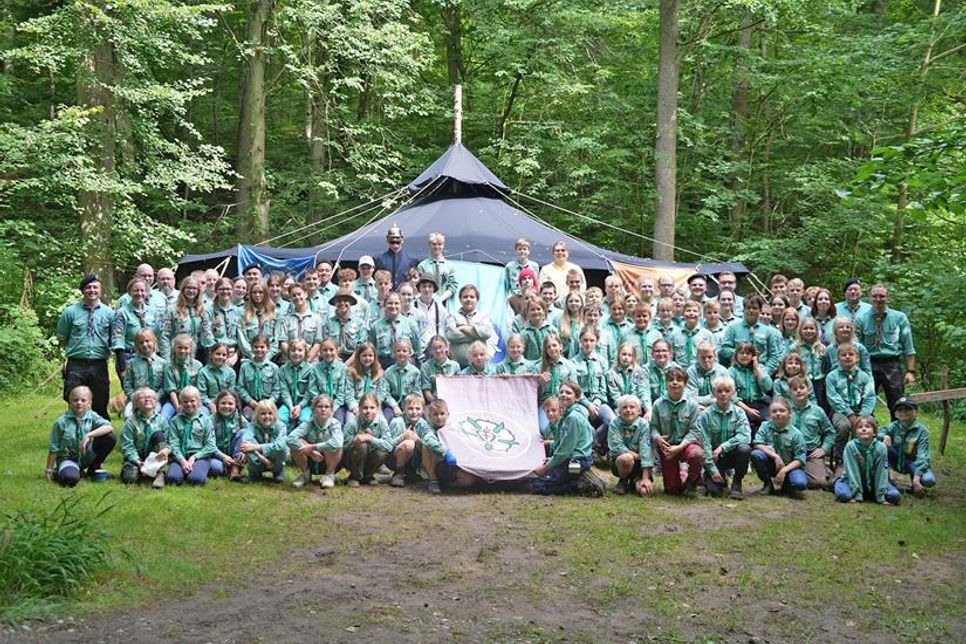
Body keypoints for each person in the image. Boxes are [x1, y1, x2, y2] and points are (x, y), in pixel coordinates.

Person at [531, 381, 605, 496]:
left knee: (537, 484)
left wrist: (545, 468)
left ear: (577, 398)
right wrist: (551, 459)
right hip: (568, 459)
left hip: (576, 460)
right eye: (561, 392)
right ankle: (577, 477)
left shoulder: (573, 418)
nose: (564, 395)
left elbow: (565, 450)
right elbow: (561, 442)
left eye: (568, 393)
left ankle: (580, 485)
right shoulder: (566, 415)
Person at [854, 284, 916, 418]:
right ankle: (867, 433)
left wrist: (911, 371)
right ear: (870, 298)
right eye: (875, 296)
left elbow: (908, 346)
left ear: (887, 297)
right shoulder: (861, 319)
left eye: (881, 296)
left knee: (897, 401)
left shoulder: (899, 318)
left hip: (891, 364)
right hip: (868, 363)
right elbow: (856, 347)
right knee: (865, 401)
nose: (878, 299)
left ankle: (897, 434)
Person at [57, 274, 114, 419]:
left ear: (100, 291)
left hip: (99, 363)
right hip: (77, 363)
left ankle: (101, 438)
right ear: (83, 290)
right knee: (75, 401)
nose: (92, 290)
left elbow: (115, 338)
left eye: (95, 287)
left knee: (100, 402)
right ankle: (73, 435)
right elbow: (62, 337)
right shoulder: (70, 312)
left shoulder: (110, 314)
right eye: (88, 287)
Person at [45, 385, 117, 487]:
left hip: (87, 456)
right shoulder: (61, 422)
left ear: (89, 403)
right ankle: (63, 471)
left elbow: (109, 427)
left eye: (83, 400)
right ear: (69, 402)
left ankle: (93, 469)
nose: (79, 403)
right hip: (68, 459)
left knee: (110, 437)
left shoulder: (91, 416)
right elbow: (54, 448)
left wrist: (89, 435)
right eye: (75, 400)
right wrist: (49, 470)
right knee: (71, 479)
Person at [649, 366, 703, 496]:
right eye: (670, 379)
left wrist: (680, 447)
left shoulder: (692, 405)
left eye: (679, 380)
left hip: (686, 445)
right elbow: (653, 426)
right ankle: (681, 475)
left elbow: (695, 430)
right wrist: (657, 437)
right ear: (666, 383)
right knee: (672, 490)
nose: (674, 383)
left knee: (697, 454)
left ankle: (692, 480)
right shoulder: (658, 404)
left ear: (685, 383)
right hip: (667, 448)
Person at [697, 376, 751, 499]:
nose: (723, 394)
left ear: (733, 392)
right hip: (715, 458)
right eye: (719, 391)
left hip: (733, 454)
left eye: (727, 391)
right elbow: (704, 443)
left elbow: (746, 436)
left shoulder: (739, 413)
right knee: (715, 492)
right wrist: (712, 469)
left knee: (745, 449)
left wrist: (723, 447)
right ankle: (714, 478)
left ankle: (737, 483)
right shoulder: (706, 415)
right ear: (713, 393)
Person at [826, 342, 876, 468]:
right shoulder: (832, 376)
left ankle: (863, 457)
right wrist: (849, 414)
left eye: (851, 354)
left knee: (868, 426)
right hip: (840, 411)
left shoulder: (864, 377)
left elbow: (869, 397)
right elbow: (834, 398)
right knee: (843, 426)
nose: (847, 357)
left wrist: (863, 415)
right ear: (838, 358)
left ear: (857, 358)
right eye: (843, 355)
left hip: (861, 411)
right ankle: (840, 458)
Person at [834, 416, 900, 505]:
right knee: (844, 495)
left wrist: (880, 497)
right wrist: (857, 496)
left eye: (867, 427)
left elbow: (881, 472)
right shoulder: (851, 446)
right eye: (860, 427)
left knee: (894, 496)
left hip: (874, 481)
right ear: (855, 433)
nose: (863, 429)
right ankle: (840, 484)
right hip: (851, 480)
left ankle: (874, 492)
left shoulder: (881, 447)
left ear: (874, 433)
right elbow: (853, 471)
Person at [751, 398, 808, 498]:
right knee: (756, 454)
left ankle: (787, 485)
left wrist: (784, 470)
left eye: (782, 410)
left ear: (789, 413)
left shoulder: (796, 434)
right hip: (772, 464)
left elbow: (800, 459)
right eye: (774, 411)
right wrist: (775, 456)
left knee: (800, 483)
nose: (778, 414)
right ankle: (768, 484)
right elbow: (757, 443)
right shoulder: (765, 426)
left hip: (790, 467)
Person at [879, 397, 936, 497]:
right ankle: (887, 479)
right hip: (895, 460)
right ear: (896, 414)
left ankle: (916, 483)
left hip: (912, 462)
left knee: (928, 480)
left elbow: (923, 456)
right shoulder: (893, 426)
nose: (903, 412)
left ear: (916, 412)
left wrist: (917, 478)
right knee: (882, 446)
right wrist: (884, 436)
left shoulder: (921, 431)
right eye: (900, 410)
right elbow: (879, 431)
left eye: (908, 409)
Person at [288, 393, 344, 489]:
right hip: (312, 461)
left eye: (327, 407)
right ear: (313, 409)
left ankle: (329, 475)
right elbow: (290, 438)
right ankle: (306, 475)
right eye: (319, 406)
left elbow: (337, 443)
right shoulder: (308, 423)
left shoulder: (335, 424)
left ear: (331, 410)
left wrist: (313, 447)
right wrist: (311, 452)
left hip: (329, 461)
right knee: (296, 443)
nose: (323, 409)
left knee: (335, 446)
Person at [165, 386, 218, 486]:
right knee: (172, 478)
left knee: (196, 479)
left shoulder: (206, 420)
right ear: (180, 403)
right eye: (185, 401)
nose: (189, 404)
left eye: (192, 401)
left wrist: (194, 458)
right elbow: (173, 443)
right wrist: (182, 461)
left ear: (198, 402)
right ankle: (186, 470)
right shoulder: (175, 421)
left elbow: (211, 445)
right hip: (180, 455)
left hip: (199, 456)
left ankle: (198, 472)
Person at [788, 376, 834, 490]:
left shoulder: (817, 411)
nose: (798, 391)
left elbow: (830, 432)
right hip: (790, 453)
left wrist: (824, 449)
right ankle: (800, 475)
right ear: (790, 393)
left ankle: (818, 470)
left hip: (810, 453)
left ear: (808, 390)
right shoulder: (785, 410)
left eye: (802, 388)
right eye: (795, 389)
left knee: (820, 483)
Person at [719, 294, 784, 374]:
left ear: (760, 310)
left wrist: (765, 372)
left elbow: (774, 356)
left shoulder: (768, 331)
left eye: (755, 308)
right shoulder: (733, 329)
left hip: (760, 371)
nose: (751, 310)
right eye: (748, 308)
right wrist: (742, 353)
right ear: (744, 309)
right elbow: (724, 349)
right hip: (738, 372)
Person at [119, 387, 170, 488]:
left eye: (150, 397)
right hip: (137, 458)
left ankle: (160, 472)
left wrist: (167, 449)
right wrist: (137, 461)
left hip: (156, 457)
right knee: (130, 479)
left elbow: (169, 440)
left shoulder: (162, 420)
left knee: (158, 435)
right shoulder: (130, 422)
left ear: (155, 401)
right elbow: (127, 445)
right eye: (142, 398)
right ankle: (142, 470)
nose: (147, 399)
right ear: (136, 403)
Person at [112, 277, 162, 379]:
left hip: (150, 358)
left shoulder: (153, 312)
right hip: (129, 358)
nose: (139, 293)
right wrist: (123, 368)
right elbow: (118, 340)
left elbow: (158, 335)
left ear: (147, 292)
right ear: (130, 292)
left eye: (142, 290)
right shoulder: (121, 313)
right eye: (135, 290)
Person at [607, 395, 654, 496]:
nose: (628, 410)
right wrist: (637, 456)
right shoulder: (614, 424)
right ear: (619, 411)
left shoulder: (644, 425)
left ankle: (635, 480)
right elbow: (617, 447)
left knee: (644, 492)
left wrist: (645, 478)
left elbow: (646, 450)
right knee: (626, 458)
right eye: (624, 407)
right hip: (621, 462)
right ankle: (623, 481)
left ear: (639, 411)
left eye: (632, 407)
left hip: (640, 464)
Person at [342, 392, 393, 487]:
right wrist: (354, 442)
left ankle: (368, 476)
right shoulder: (352, 424)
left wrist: (370, 438)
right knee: (362, 445)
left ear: (378, 409)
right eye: (365, 408)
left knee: (382, 452)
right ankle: (355, 476)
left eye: (372, 408)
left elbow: (389, 445)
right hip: (353, 458)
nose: (368, 411)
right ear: (359, 409)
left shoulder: (382, 422)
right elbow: (343, 447)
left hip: (372, 455)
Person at [160, 276, 214, 362]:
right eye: (188, 287)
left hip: (200, 354)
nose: (191, 291)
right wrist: (166, 359)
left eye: (194, 288)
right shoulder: (172, 309)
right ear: (183, 289)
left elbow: (208, 334)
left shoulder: (203, 309)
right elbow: (165, 335)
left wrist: (212, 354)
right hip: (179, 353)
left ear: (199, 291)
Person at [728, 342, 772, 439]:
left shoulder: (761, 368)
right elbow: (731, 395)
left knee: (768, 422)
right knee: (741, 424)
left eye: (748, 353)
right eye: (741, 353)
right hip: (740, 405)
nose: (744, 356)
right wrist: (747, 410)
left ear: (753, 356)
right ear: (736, 355)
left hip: (759, 403)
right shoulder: (732, 370)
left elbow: (768, 387)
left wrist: (757, 368)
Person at [239, 399, 288, 483]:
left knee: (281, 448)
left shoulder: (281, 426)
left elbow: (280, 445)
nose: (267, 416)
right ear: (257, 415)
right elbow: (245, 442)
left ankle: (278, 472)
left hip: (275, 459)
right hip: (259, 459)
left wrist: (256, 447)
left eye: (270, 413)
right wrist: (263, 459)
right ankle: (254, 473)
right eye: (263, 413)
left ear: (275, 414)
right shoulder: (252, 426)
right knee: (246, 445)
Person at [120, 329, 167, 418]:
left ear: (154, 342)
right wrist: (136, 398)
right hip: (137, 399)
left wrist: (156, 397)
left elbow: (165, 385)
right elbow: (127, 385)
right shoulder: (131, 364)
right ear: (137, 346)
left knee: (154, 416)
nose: (145, 344)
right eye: (141, 343)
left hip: (156, 400)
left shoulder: (163, 363)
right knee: (128, 415)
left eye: (147, 341)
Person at [536, 335, 578, 432]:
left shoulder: (569, 365)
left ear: (561, 346)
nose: (552, 348)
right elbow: (531, 391)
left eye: (554, 345)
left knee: (567, 428)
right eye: (548, 347)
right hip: (546, 405)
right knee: (544, 429)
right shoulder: (539, 367)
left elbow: (574, 389)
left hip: (564, 403)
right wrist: (539, 383)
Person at [371, 292, 422, 369]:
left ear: (401, 305)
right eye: (390, 303)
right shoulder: (376, 326)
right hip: (383, 365)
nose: (393, 306)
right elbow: (372, 349)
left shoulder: (411, 325)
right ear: (384, 305)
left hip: (406, 365)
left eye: (396, 303)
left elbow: (417, 350)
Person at [237, 334, 281, 420]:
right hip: (251, 404)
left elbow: (276, 390)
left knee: (270, 420)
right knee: (249, 418)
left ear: (268, 349)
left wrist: (268, 403)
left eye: (262, 347)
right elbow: (240, 387)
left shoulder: (274, 368)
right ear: (251, 348)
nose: (259, 349)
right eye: (256, 347)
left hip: (269, 404)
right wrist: (250, 401)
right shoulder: (245, 367)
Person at [237, 280, 281, 363]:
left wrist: (266, 358)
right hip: (249, 359)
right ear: (250, 294)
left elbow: (275, 340)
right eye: (254, 292)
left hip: (269, 360)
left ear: (266, 294)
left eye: (261, 292)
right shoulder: (242, 313)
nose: (257, 295)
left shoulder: (275, 314)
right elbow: (242, 339)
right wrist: (254, 356)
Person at [161, 335, 204, 421]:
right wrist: (177, 407)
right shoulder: (169, 366)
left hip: (193, 400)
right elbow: (171, 390)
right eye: (179, 347)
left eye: (186, 348)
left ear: (191, 349)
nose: (182, 350)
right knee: (164, 417)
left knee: (203, 415)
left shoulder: (197, 365)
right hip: (174, 400)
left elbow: (199, 388)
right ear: (174, 349)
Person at [379, 339, 422, 421]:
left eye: (404, 351)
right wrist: (394, 406)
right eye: (398, 351)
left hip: (411, 404)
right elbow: (384, 392)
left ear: (409, 353)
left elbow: (417, 393)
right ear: (394, 354)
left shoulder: (415, 372)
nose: (401, 353)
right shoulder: (388, 372)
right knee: (385, 419)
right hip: (392, 405)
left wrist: (408, 406)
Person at [278, 339, 316, 429]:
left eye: (300, 350)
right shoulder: (283, 369)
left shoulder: (311, 369)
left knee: (305, 420)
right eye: (293, 350)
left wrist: (299, 406)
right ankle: (284, 439)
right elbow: (284, 391)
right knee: (280, 419)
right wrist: (291, 407)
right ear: (288, 352)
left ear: (305, 352)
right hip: (288, 404)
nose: (296, 353)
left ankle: (299, 440)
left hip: (305, 404)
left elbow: (310, 392)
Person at [280, 283, 323, 363]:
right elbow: (283, 342)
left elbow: (318, 343)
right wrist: (293, 358)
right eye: (294, 295)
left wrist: (307, 359)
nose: (297, 297)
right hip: (291, 363)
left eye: (299, 294)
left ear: (306, 294)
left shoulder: (316, 319)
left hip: (311, 363)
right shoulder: (286, 319)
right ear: (290, 298)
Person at [211, 390, 247, 481]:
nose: (227, 406)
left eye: (230, 404)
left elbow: (251, 433)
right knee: (216, 468)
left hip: (233, 451)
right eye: (223, 403)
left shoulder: (239, 418)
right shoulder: (211, 420)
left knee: (243, 432)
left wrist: (244, 450)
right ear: (217, 405)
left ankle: (235, 468)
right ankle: (227, 469)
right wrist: (223, 457)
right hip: (217, 454)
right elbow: (208, 444)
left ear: (236, 406)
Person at [668, 300, 715, 368]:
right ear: (683, 314)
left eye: (695, 311)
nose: (691, 313)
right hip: (680, 373)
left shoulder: (707, 335)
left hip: (700, 372)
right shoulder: (674, 335)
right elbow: (670, 357)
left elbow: (714, 358)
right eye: (688, 310)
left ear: (700, 314)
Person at [323, 287, 367, 360]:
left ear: (351, 303)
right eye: (339, 301)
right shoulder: (328, 323)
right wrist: (336, 360)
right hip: (333, 359)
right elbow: (325, 344)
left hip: (354, 360)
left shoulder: (359, 323)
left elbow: (361, 347)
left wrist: (348, 363)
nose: (342, 303)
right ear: (335, 303)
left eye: (346, 300)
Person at [416, 232, 457, 308]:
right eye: (434, 244)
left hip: (445, 303)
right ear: (429, 245)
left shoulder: (449, 266)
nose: (437, 247)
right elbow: (419, 286)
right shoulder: (422, 266)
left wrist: (440, 299)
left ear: (443, 246)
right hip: (426, 304)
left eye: (439, 244)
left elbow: (453, 286)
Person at [315, 338, 350, 426]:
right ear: (320, 352)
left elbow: (342, 393)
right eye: (325, 350)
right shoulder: (315, 369)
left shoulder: (343, 368)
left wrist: (332, 409)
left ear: (337, 351)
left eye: (331, 350)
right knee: (316, 422)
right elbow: (313, 391)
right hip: (320, 404)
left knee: (339, 422)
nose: (328, 353)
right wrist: (322, 406)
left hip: (337, 404)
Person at [685, 341, 729, 412]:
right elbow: (691, 398)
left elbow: (728, 396)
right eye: (703, 357)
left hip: (720, 408)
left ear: (715, 356)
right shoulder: (691, 372)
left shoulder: (723, 372)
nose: (706, 360)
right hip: (698, 408)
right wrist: (711, 398)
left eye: (710, 357)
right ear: (697, 357)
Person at [344, 343, 382, 423]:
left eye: (370, 355)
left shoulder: (379, 373)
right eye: (364, 355)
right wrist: (356, 409)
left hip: (373, 407)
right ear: (358, 357)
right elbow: (348, 395)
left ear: (374, 357)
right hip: (356, 406)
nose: (367, 358)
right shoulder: (351, 372)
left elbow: (380, 394)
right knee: (350, 422)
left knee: (380, 422)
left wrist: (374, 409)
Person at [209, 277, 241, 369]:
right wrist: (220, 354)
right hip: (215, 356)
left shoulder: (237, 311)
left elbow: (241, 337)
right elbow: (206, 336)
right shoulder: (209, 310)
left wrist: (236, 356)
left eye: (228, 289)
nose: (225, 291)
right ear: (216, 290)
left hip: (234, 357)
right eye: (222, 289)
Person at [375, 224, 420, 290]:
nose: (395, 240)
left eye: (397, 238)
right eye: (392, 238)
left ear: (402, 239)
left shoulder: (412, 260)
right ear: (387, 239)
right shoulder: (378, 259)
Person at [197, 343, 237, 415]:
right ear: (211, 354)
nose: (220, 357)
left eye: (224, 355)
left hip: (226, 404)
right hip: (208, 405)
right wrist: (211, 405)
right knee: (203, 414)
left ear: (227, 357)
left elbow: (231, 393)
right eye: (218, 354)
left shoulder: (231, 373)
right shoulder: (203, 372)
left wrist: (223, 405)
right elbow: (202, 395)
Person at [420, 335, 460, 403]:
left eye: (440, 347)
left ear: (446, 347)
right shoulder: (425, 366)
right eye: (434, 348)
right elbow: (426, 390)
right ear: (430, 351)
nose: (438, 351)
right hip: (434, 401)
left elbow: (458, 388)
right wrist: (436, 403)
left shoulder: (455, 366)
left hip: (452, 400)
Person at [413, 273, 447, 351]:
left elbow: (447, 330)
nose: (427, 289)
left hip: (437, 350)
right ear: (419, 288)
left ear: (434, 289)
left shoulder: (441, 309)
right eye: (424, 286)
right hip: (418, 350)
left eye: (430, 286)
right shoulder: (412, 307)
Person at [647, 339, 680, 404]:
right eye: (657, 351)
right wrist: (649, 410)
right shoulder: (645, 370)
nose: (661, 354)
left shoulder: (677, 369)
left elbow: (681, 392)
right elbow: (644, 393)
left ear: (670, 353)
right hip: (652, 406)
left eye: (664, 351)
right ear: (652, 354)